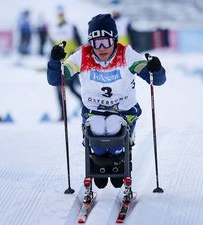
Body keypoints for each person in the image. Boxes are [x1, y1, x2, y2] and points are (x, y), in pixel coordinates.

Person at [47, 14, 166, 189]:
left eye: (106, 42)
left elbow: (156, 80)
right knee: (96, 129)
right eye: (96, 43)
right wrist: (55, 62)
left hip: (124, 112)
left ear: (115, 39)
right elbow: (56, 79)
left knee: (114, 127)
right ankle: (99, 162)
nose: (101, 48)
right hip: (94, 111)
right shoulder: (82, 56)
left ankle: (118, 159)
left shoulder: (126, 55)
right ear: (90, 43)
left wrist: (156, 70)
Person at [48, 5, 82, 120]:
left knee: (72, 88)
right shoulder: (53, 27)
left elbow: (79, 43)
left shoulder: (71, 26)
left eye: (61, 14)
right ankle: (62, 115)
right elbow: (52, 44)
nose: (60, 16)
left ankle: (85, 104)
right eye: (58, 14)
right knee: (58, 90)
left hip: (71, 63)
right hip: (59, 63)